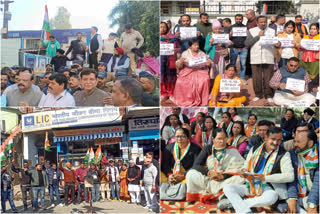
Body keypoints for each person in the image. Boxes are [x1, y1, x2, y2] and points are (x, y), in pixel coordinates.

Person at [222, 127, 294, 212]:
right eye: (273, 139)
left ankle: (236, 204)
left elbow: (290, 176)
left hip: (267, 187)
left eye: (279, 140)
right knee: (228, 188)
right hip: (251, 184)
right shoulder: (255, 149)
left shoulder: (284, 154)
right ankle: (244, 209)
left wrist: (265, 178)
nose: (275, 142)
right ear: (266, 138)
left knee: (272, 197)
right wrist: (244, 171)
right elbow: (246, 165)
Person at [186, 128, 245, 204]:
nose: (222, 141)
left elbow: (240, 167)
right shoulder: (208, 149)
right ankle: (220, 195)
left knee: (241, 177)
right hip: (209, 180)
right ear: (213, 139)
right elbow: (196, 165)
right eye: (219, 139)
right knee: (191, 174)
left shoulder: (232, 150)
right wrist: (209, 172)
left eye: (224, 138)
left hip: (225, 180)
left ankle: (221, 195)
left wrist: (222, 176)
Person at [245, 16, 276, 103]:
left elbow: (276, 43)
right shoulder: (252, 31)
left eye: (264, 22)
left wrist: (278, 43)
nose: (263, 23)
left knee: (268, 77)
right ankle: (258, 94)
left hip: (268, 56)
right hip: (255, 57)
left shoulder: (272, 31)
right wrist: (258, 36)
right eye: (261, 22)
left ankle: (269, 94)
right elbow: (247, 43)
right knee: (256, 77)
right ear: (257, 23)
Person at [287, 125, 319, 213]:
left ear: (310, 143)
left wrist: (312, 203)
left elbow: (318, 181)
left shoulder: (318, 153)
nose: (295, 145)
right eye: (295, 141)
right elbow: (292, 178)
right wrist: (292, 198)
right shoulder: (293, 153)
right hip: (302, 194)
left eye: (299, 142)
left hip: (316, 194)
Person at [174, 38, 211, 106]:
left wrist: (208, 64)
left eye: (198, 45)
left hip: (200, 71)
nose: (197, 46)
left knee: (205, 80)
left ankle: (202, 100)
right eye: (195, 45)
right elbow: (179, 66)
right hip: (187, 71)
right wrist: (181, 61)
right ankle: (185, 100)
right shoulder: (185, 53)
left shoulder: (202, 53)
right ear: (190, 46)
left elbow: (207, 64)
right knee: (180, 82)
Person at [160, 21, 180, 102]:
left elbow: (179, 47)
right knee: (162, 77)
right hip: (161, 60)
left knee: (171, 77)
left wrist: (176, 50)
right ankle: (164, 94)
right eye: (160, 27)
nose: (162, 28)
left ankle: (171, 93)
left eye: (164, 26)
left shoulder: (173, 38)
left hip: (171, 59)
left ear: (167, 27)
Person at [229, 14, 249, 82]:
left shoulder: (245, 27)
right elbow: (227, 38)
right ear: (235, 19)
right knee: (232, 64)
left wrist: (248, 34)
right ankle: (232, 78)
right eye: (237, 19)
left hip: (244, 48)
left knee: (243, 64)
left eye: (240, 19)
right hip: (234, 48)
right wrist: (230, 35)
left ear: (242, 19)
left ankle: (242, 78)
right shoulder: (231, 27)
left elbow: (249, 38)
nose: (238, 20)